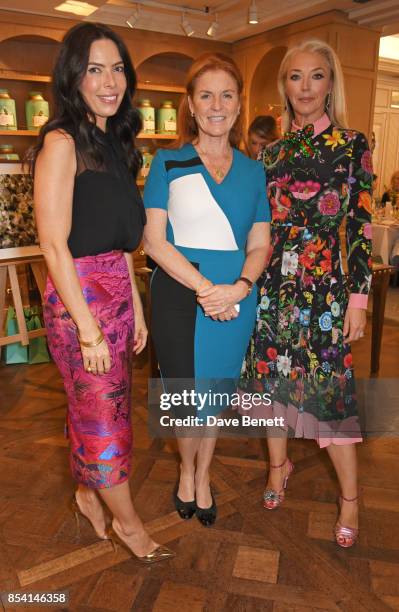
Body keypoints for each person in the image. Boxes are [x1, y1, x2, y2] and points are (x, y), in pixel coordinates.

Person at [32, 22, 174, 564]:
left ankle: (89, 495)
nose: (109, 80)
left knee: (99, 414)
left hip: (116, 294)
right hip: (79, 304)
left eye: (117, 68)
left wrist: (135, 307)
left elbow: (120, 244)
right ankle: (131, 528)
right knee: (105, 421)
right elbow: (52, 244)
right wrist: (89, 327)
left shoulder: (115, 144)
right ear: (73, 76)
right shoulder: (62, 143)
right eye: (94, 68)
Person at [240, 39, 372, 548]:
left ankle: (350, 500)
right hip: (274, 291)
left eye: (316, 76)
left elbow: (358, 227)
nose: (305, 88)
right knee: (272, 391)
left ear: (330, 84)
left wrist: (357, 302)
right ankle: (278, 469)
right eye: (295, 77)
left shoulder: (352, 145)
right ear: (284, 86)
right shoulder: (269, 154)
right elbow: (257, 228)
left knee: (331, 401)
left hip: (326, 296)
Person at [143, 52, 270, 527]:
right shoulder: (168, 162)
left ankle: (203, 473)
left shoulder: (255, 172)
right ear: (191, 107)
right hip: (180, 292)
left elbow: (259, 241)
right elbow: (153, 241)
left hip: (236, 298)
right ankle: (185, 469)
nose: (217, 104)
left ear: (238, 106)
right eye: (206, 95)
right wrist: (205, 289)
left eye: (227, 95)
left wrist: (238, 287)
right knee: (184, 399)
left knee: (214, 396)